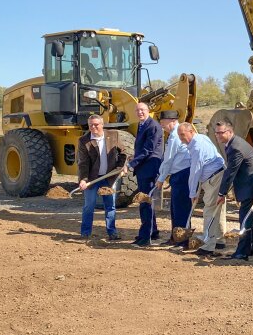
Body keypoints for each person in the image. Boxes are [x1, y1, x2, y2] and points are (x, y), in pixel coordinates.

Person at [213, 120, 253, 261]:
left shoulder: (235, 147)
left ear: (230, 132)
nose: (217, 135)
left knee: (245, 218)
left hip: (250, 185)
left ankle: (242, 252)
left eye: (221, 132)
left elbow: (230, 173)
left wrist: (221, 193)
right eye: (216, 132)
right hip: (251, 183)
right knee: (252, 217)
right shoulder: (234, 143)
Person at [178, 122, 227, 256]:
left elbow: (195, 171)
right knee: (218, 208)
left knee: (210, 210)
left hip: (213, 178)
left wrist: (192, 192)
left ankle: (208, 245)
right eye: (179, 136)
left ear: (191, 131)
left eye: (183, 135)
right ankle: (219, 239)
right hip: (218, 174)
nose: (181, 139)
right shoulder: (202, 138)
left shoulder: (197, 147)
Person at [76, 114, 126, 240]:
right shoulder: (84, 141)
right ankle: (85, 233)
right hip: (92, 179)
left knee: (110, 205)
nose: (93, 127)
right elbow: (83, 163)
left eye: (96, 124)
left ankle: (112, 232)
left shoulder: (113, 135)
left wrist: (121, 167)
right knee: (89, 206)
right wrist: (83, 179)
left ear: (102, 125)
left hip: (109, 178)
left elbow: (123, 153)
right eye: (90, 125)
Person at [122, 102, 163, 247]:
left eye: (143, 110)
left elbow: (148, 150)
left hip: (149, 169)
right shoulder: (142, 125)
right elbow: (142, 149)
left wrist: (130, 164)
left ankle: (145, 237)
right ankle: (153, 232)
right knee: (146, 201)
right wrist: (134, 158)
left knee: (145, 202)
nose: (140, 112)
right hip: (143, 168)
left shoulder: (152, 126)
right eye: (138, 110)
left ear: (148, 111)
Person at [155, 110, 191, 247]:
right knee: (176, 208)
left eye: (163, 122)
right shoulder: (173, 135)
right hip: (178, 174)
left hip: (182, 174)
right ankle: (176, 237)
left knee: (180, 208)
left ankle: (182, 240)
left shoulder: (175, 136)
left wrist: (161, 178)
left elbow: (168, 160)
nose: (161, 125)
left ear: (173, 121)